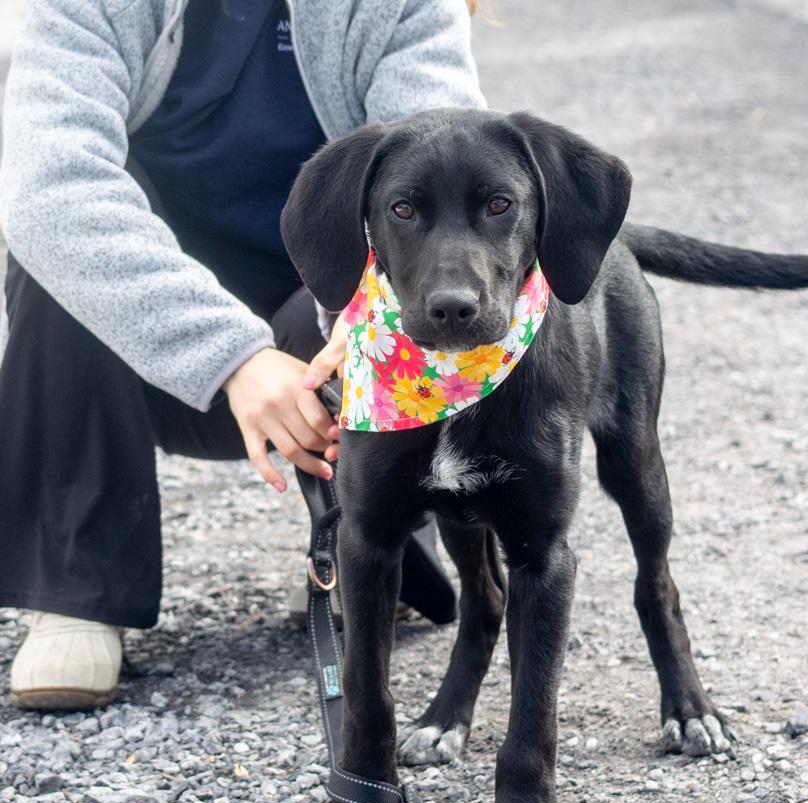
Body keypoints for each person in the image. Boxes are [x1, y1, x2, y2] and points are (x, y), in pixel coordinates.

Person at [0, 0, 486, 710]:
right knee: (48, 249)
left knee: (422, 272)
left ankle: (366, 533)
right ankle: (77, 585)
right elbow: (49, 190)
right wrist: (233, 356)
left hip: (318, 333)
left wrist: (368, 316)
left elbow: (451, 164)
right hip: (138, 354)